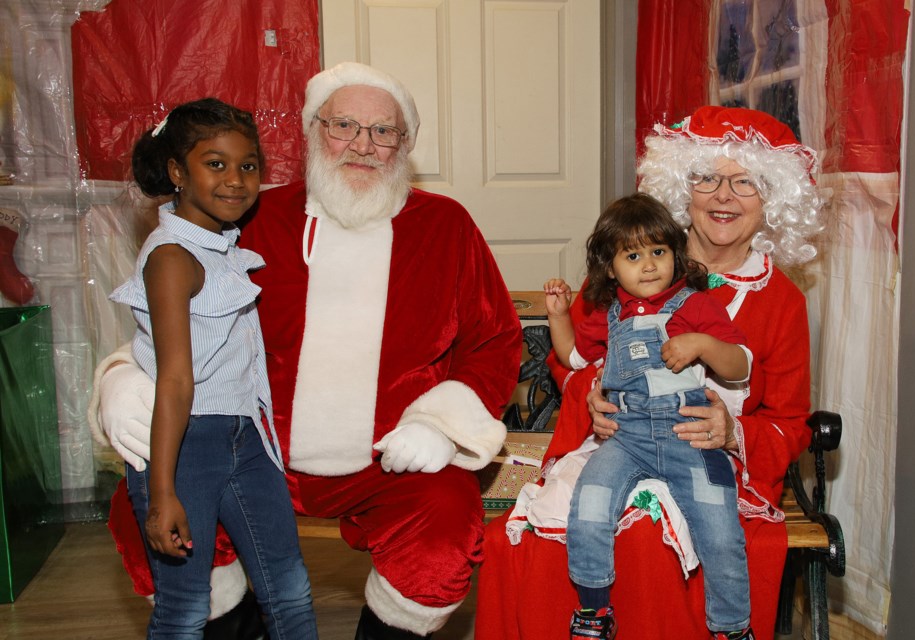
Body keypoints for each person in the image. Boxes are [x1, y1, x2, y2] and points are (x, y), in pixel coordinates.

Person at [89, 63, 521, 639]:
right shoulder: (251, 215)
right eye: (344, 125)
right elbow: (181, 316)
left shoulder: (446, 225)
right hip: (256, 447)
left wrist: (442, 424)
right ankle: (233, 624)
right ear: (311, 132)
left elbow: (493, 340)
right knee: (141, 504)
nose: (363, 145)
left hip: (389, 458)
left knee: (445, 523)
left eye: (383, 131)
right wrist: (123, 379)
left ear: (406, 144)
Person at [475, 106, 822, 640]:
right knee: (519, 538)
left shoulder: (781, 300)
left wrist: (733, 432)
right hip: (624, 443)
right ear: (684, 188)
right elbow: (570, 361)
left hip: (712, 462)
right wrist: (591, 394)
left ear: (772, 199)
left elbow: (792, 421)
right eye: (706, 177)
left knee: (649, 542)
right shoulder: (635, 268)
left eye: (745, 181)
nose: (723, 196)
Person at [109, 98, 318, 638]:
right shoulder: (172, 257)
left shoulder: (224, 247)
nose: (235, 180)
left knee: (289, 589)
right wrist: (161, 494)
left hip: (247, 438)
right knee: (183, 608)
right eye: (215, 163)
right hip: (187, 444)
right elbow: (176, 380)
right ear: (177, 172)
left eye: (248, 165)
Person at [543, 193, 753, 640]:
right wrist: (559, 316)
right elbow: (575, 358)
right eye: (632, 255)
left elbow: (741, 365)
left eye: (658, 252)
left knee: (720, 526)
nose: (649, 265)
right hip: (626, 434)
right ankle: (594, 611)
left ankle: (732, 627)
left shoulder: (696, 305)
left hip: (689, 433)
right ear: (610, 266)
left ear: (675, 255)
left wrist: (702, 343)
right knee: (591, 503)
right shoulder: (608, 312)